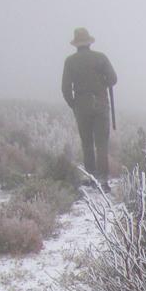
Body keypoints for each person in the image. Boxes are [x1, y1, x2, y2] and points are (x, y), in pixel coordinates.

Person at [61, 27, 117, 180]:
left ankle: (91, 177)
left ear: (76, 44)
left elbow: (65, 89)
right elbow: (113, 79)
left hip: (81, 105)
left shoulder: (70, 61)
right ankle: (103, 179)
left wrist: (74, 104)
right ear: (89, 43)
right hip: (100, 103)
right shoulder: (101, 58)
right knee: (102, 144)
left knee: (87, 143)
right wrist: (101, 84)